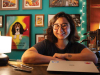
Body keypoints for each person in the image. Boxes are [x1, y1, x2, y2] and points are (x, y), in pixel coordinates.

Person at [21, 12, 98, 64]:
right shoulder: (46, 44)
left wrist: (64, 56)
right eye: (56, 25)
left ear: (71, 28)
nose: (60, 29)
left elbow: (94, 58)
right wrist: (55, 60)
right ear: (52, 28)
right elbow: (26, 57)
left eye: (64, 25)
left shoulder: (76, 46)